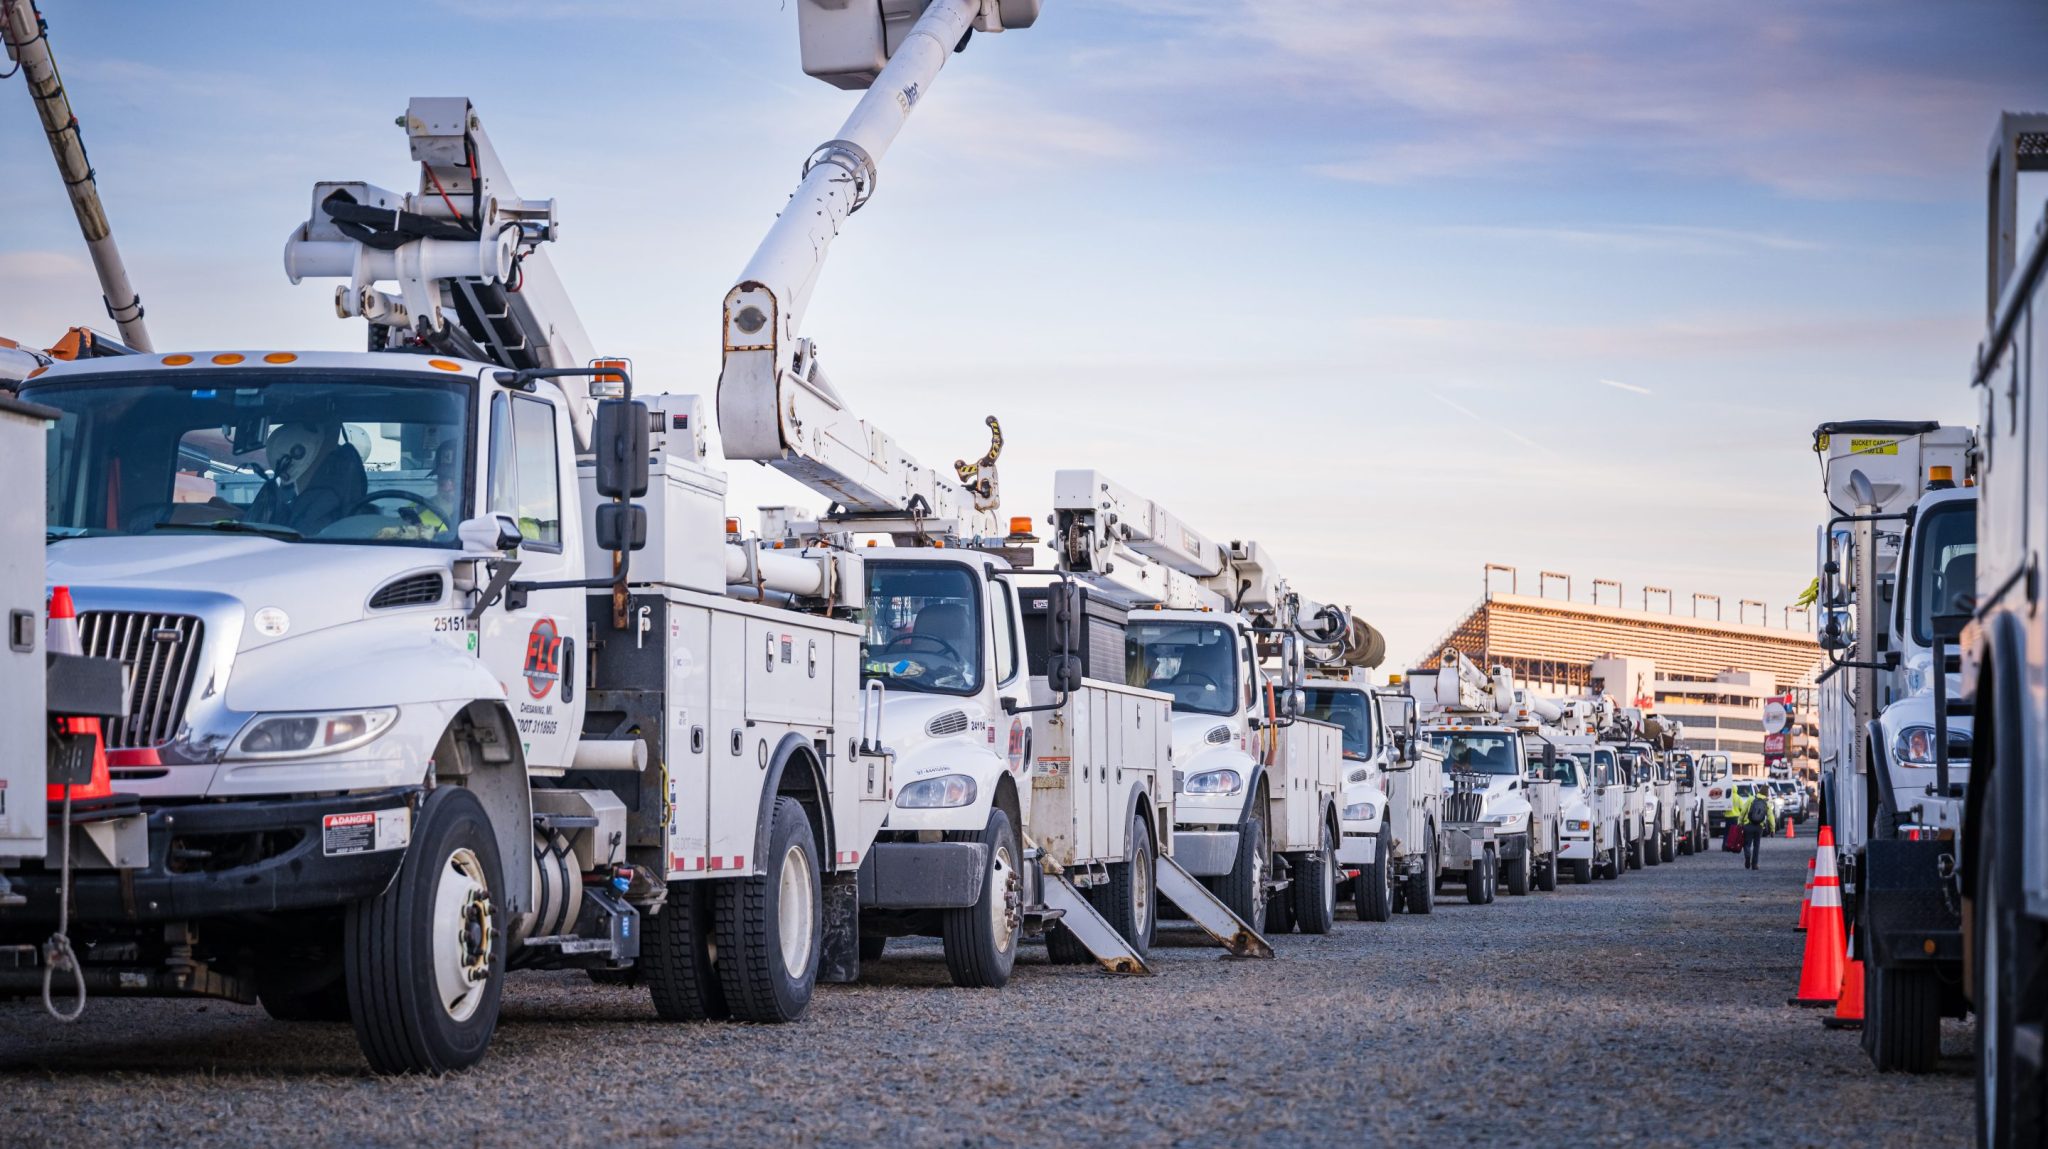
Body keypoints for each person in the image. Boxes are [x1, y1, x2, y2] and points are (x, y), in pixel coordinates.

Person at [1740, 783, 1775, 869]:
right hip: (1759, 827)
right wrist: (1772, 829)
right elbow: (1771, 817)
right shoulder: (1767, 803)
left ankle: (1747, 856)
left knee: (1746, 844)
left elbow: (1743, 811)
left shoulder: (1751, 799)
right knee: (1756, 845)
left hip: (1748, 825)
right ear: (1766, 793)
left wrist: (1740, 822)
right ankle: (1754, 864)